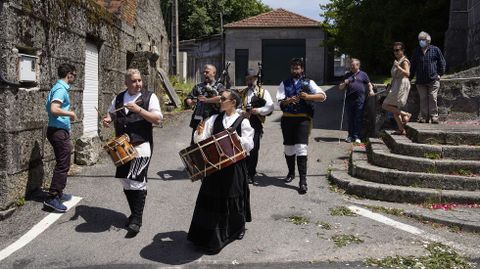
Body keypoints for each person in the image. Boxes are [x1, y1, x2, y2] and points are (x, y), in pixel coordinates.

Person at [188, 89, 254, 254]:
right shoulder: (214, 119)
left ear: (233, 102)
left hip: (234, 168)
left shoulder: (242, 121)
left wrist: (235, 139)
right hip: (215, 167)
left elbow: (249, 144)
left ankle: (236, 229)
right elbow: (202, 140)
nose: (220, 101)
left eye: (223, 99)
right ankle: (207, 237)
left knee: (232, 199)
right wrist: (199, 133)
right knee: (211, 200)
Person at [102, 69, 162, 236]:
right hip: (121, 147)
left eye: (140, 80)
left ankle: (137, 219)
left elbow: (158, 119)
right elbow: (111, 112)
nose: (138, 84)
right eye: (134, 81)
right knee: (125, 180)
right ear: (126, 83)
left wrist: (139, 110)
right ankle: (134, 213)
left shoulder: (150, 97)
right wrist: (108, 118)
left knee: (136, 180)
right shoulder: (119, 97)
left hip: (141, 145)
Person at [276, 58, 326, 194]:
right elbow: (279, 102)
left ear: (302, 69)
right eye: (293, 68)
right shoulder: (284, 83)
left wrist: (308, 97)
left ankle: (303, 181)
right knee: (288, 148)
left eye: (297, 68)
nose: (295, 70)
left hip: (303, 120)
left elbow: (322, 96)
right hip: (287, 119)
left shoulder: (309, 82)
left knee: (301, 148)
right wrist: (288, 101)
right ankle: (291, 173)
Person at [43, 63, 78, 212]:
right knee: (63, 164)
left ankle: (58, 192)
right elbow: (54, 109)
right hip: (58, 131)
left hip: (57, 130)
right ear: (69, 74)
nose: (75, 77)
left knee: (63, 161)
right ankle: (52, 197)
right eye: (74, 74)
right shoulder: (60, 89)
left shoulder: (58, 87)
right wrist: (70, 113)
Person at [238, 68, 274, 184]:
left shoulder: (263, 92)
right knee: (241, 147)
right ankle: (242, 171)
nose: (249, 81)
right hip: (243, 121)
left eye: (251, 79)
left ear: (256, 79)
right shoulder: (242, 92)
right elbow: (235, 107)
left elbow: (270, 107)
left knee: (254, 149)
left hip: (255, 122)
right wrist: (241, 112)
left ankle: (251, 173)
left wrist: (257, 110)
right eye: (247, 79)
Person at [410, 31, 446, 124]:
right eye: (420, 40)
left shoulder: (435, 49)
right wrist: (409, 77)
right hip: (420, 80)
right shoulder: (416, 51)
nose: (421, 41)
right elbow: (412, 66)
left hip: (433, 79)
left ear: (428, 41)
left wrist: (440, 74)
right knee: (423, 99)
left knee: (433, 98)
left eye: (422, 39)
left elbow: (442, 62)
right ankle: (424, 117)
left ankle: (434, 117)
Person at [185, 64, 225, 144]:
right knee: (195, 145)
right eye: (204, 72)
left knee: (211, 146)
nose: (204, 74)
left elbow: (222, 98)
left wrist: (207, 100)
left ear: (213, 73)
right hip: (198, 120)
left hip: (213, 120)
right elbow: (188, 99)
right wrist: (192, 102)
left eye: (207, 72)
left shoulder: (220, 86)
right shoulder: (198, 86)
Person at [338, 58, 374, 143]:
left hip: (360, 100)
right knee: (350, 119)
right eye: (351, 65)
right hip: (349, 100)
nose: (351, 66)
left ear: (358, 65)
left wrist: (371, 90)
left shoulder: (363, 74)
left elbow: (369, 84)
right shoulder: (347, 75)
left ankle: (357, 136)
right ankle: (350, 136)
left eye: (353, 65)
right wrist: (345, 83)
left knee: (358, 118)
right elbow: (340, 87)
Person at [382, 42, 412, 135]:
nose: (396, 52)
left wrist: (398, 67)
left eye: (398, 50)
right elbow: (395, 76)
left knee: (385, 105)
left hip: (402, 84)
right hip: (396, 84)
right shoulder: (398, 60)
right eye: (394, 50)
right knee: (394, 108)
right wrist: (390, 85)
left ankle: (406, 114)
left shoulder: (404, 61)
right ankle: (401, 129)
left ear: (402, 50)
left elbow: (407, 74)